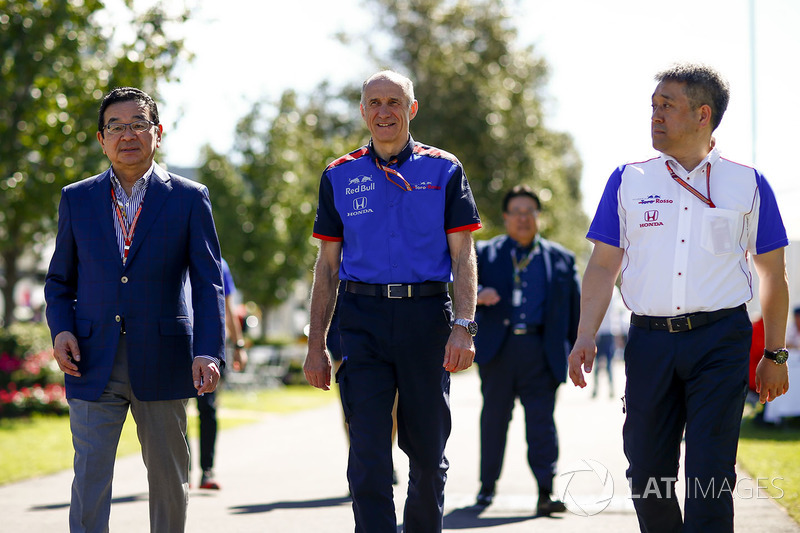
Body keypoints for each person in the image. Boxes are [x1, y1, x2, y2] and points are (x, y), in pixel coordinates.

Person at [568, 63, 790, 533]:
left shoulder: (747, 183)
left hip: (720, 341)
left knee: (710, 476)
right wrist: (585, 333)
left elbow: (772, 276)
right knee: (647, 474)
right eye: (653, 106)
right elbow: (603, 265)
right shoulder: (628, 179)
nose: (655, 115)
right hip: (649, 342)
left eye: (667, 106)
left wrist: (775, 353)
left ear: (702, 114)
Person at [303, 70, 482, 532]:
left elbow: (463, 256)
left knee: (426, 451)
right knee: (367, 453)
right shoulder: (338, 174)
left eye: (394, 102)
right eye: (375, 103)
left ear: (412, 108)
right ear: (363, 111)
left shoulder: (444, 169)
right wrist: (315, 344)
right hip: (361, 320)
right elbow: (326, 266)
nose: (384, 112)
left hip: (427, 318)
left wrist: (464, 324)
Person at [44, 87, 226, 533]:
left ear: (157, 133)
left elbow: (208, 284)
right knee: (89, 479)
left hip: (164, 359)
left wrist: (209, 351)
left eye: (139, 124)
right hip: (90, 357)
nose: (128, 134)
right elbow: (59, 280)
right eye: (116, 126)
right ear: (101, 138)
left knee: (168, 478)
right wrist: (60, 330)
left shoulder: (188, 197)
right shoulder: (77, 198)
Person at [471, 185, 579, 516]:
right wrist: (476, 293)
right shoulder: (485, 253)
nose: (522, 218)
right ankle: (486, 489)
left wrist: (574, 352)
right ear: (505, 217)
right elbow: (458, 289)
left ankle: (546, 492)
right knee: (493, 422)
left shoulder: (560, 258)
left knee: (541, 425)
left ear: (537, 217)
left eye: (529, 212)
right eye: (516, 212)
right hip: (497, 353)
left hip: (541, 352)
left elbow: (574, 310)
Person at [185, 258, 248, 490]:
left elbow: (228, 307)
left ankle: (207, 471)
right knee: (177, 411)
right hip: (177, 343)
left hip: (207, 347)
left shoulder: (219, 263)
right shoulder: (174, 254)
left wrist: (238, 345)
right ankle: (184, 469)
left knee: (208, 409)